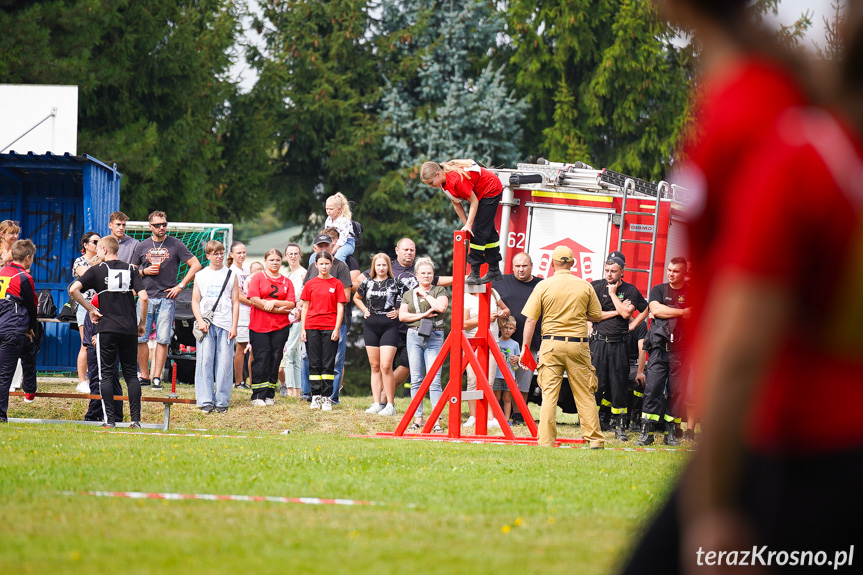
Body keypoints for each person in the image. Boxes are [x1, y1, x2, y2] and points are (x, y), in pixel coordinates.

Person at [621, 2, 863, 573]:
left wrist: (713, 509)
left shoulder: (769, 132)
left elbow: (743, 341)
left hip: (794, 441)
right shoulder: (792, 114)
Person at [520, 245, 603, 449]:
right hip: (578, 345)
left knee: (549, 394)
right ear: (572, 263)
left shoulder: (543, 286)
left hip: (551, 345)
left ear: (552, 263)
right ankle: (594, 440)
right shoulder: (585, 285)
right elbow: (596, 315)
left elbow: (531, 320)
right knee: (584, 393)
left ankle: (546, 442)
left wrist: (525, 347)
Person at [70, 236, 148, 428]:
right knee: (131, 374)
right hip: (129, 328)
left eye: (98, 249)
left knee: (105, 374)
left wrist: (90, 309)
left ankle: (110, 421)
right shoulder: (131, 269)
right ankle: (136, 421)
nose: (96, 251)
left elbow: (73, 289)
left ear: (104, 250)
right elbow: (144, 297)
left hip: (107, 329)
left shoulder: (97, 270)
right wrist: (142, 324)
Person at [132, 211, 201, 390]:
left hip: (166, 298)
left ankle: (157, 377)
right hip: (145, 297)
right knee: (141, 338)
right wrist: (144, 272)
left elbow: (196, 264)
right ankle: (144, 376)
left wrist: (181, 285)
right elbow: (132, 272)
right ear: (150, 227)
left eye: (164, 224)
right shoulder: (141, 245)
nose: (161, 227)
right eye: (157, 225)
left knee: (163, 339)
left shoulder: (175, 244)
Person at [589, 251, 647, 441]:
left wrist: (632, 322)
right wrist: (617, 310)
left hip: (619, 345)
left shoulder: (630, 290)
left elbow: (643, 309)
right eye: (607, 270)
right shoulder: (595, 287)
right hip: (598, 343)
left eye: (613, 271)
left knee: (619, 385)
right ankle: (592, 424)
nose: (609, 274)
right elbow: (592, 315)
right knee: (596, 384)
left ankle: (620, 426)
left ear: (622, 271)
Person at [635, 257, 691, 447]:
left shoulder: (691, 292)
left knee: (676, 392)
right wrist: (682, 312)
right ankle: (646, 432)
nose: (671, 273)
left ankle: (671, 433)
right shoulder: (659, 289)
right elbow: (656, 309)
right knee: (652, 390)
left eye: (675, 271)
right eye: (669, 270)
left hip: (681, 351)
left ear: (684, 273)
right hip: (659, 349)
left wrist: (673, 311)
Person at [421, 159, 503, 284]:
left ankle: (475, 273)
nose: (431, 186)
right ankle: (494, 269)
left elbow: (474, 201)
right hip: (480, 194)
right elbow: (457, 205)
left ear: (438, 174)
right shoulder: (444, 185)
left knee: (478, 231)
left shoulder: (456, 180)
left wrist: (471, 225)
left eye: (431, 183)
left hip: (490, 189)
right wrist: (467, 225)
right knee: (487, 230)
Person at [302, 233, 355, 404]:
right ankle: (312, 395)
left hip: (334, 322)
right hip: (312, 323)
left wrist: (336, 326)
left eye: (327, 245)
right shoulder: (311, 270)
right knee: (312, 360)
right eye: (320, 246)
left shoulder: (341, 268)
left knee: (333, 361)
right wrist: (303, 326)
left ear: (333, 246)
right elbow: (305, 302)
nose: (324, 249)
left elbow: (344, 299)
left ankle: (331, 397)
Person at [399, 257, 449, 433]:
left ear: (433, 275)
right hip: (414, 336)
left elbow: (441, 308)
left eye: (429, 273)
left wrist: (426, 295)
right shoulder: (408, 294)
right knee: (416, 380)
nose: (426, 276)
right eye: (423, 273)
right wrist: (424, 314)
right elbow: (402, 317)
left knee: (435, 380)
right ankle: (418, 418)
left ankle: (436, 421)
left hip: (434, 336)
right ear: (416, 275)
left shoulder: (439, 290)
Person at [492, 252, 543, 423]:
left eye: (524, 266)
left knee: (523, 380)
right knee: (500, 377)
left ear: (531, 266)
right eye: (517, 266)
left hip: (529, 342)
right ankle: (497, 413)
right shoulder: (500, 283)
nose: (521, 269)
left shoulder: (541, 285)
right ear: (512, 267)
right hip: (502, 342)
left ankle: (519, 414)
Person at [192, 241, 240, 414]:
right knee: (205, 361)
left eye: (221, 253)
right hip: (207, 323)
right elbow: (195, 301)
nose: (219, 256)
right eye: (215, 253)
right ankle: (205, 399)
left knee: (225, 363)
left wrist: (234, 326)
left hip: (225, 322)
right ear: (208, 256)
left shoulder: (230, 274)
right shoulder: (201, 275)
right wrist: (200, 320)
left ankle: (221, 401)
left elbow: (235, 301)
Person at [354, 253, 403, 416]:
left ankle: (390, 404)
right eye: (378, 265)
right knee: (374, 366)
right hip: (371, 325)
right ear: (373, 267)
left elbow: (408, 299)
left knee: (386, 366)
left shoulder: (396, 282)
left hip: (389, 326)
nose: (381, 268)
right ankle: (376, 403)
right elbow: (356, 297)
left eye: (384, 265)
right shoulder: (367, 282)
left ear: (388, 267)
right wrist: (364, 310)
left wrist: (398, 311)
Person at [247, 248, 295, 406]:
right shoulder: (258, 278)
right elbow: (254, 299)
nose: (275, 263)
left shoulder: (287, 282)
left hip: (280, 326)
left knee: (276, 359)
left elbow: (291, 303)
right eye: (271, 260)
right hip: (259, 326)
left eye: (278, 260)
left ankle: (269, 394)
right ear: (265, 261)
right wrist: (275, 309)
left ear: (282, 261)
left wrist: (274, 302)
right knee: (262, 358)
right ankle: (257, 395)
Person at [0, 239, 38, 421]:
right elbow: (32, 306)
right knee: (5, 374)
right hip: (13, 328)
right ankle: (1, 415)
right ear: (28, 258)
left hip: (4, 326)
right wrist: (31, 328)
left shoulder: (2, 273)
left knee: (29, 349)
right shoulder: (25, 278)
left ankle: (30, 389)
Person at [462, 286, 508, 429]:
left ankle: (489, 418)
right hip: (473, 343)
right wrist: (484, 319)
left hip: (492, 343)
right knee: (472, 380)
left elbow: (507, 309)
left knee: (489, 381)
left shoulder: (493, 291)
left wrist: (502, 313)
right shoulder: (466, 296)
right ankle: (473, 416)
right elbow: (464, 324)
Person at [81, 294, 124, 423]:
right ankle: (99, 414)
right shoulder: (100, 300)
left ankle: (99, 415)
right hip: (97, 346)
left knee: (108, 380)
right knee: (100, 380)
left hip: (108, 345)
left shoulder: (112, 302)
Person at [72, 231, 101, 394]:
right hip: (85, 305)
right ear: (86, 244)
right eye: (95, 242)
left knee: (98, 343)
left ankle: (95, 377)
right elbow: (90, 276)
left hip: (101, 306)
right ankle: (82, 380)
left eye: (100, 242)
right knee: (86, 343)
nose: (98, 245)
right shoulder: (80, 261)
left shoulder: (102, 261)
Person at [278, 243, 306, 398]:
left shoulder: (303, 273)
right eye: (290, 254)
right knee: (293, 354)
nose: (293, 256)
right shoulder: (287, 276)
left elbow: (306, 295)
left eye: (296, 253)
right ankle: (295, 390)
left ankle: (291, 390)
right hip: (288, 316)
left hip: (298, 316)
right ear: (286, 256)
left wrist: (299, 309)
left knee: (290, 353)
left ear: (300, 255)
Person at [227, 241, 252, 390]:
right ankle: (238, 381)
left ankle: (251, 381)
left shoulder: (246, 271)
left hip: (250, 313)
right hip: (241, 313)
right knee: (241, 348)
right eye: (238, 253)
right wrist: (255, 303)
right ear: (231, 255)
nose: (242, 255)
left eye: (244, 252)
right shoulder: (232, 271)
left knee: (251, 348)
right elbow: (237, 295)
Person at [494, 316, 521, 423]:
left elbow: (519, 357)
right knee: (496, 397)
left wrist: (517, 359)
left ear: (514, 330)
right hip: (497, 374)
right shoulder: (497, 342)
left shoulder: (515, 344)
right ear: (500, 328)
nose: (508, 330)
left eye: (511, 328)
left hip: (510, 375)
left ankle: (506, 419)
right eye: (505, 327)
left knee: (507, 398)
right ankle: (495, 419)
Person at [322, 192, 355, 263]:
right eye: (327, 209)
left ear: (339, 209)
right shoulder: (328, 219)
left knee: (339, 255)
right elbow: (326, 233)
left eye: (331, 209)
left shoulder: (344, 220)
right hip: (332, 242)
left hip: (347, 243)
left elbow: (343, 240)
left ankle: (340, 272)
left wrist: (332, 251)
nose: (328, 211)